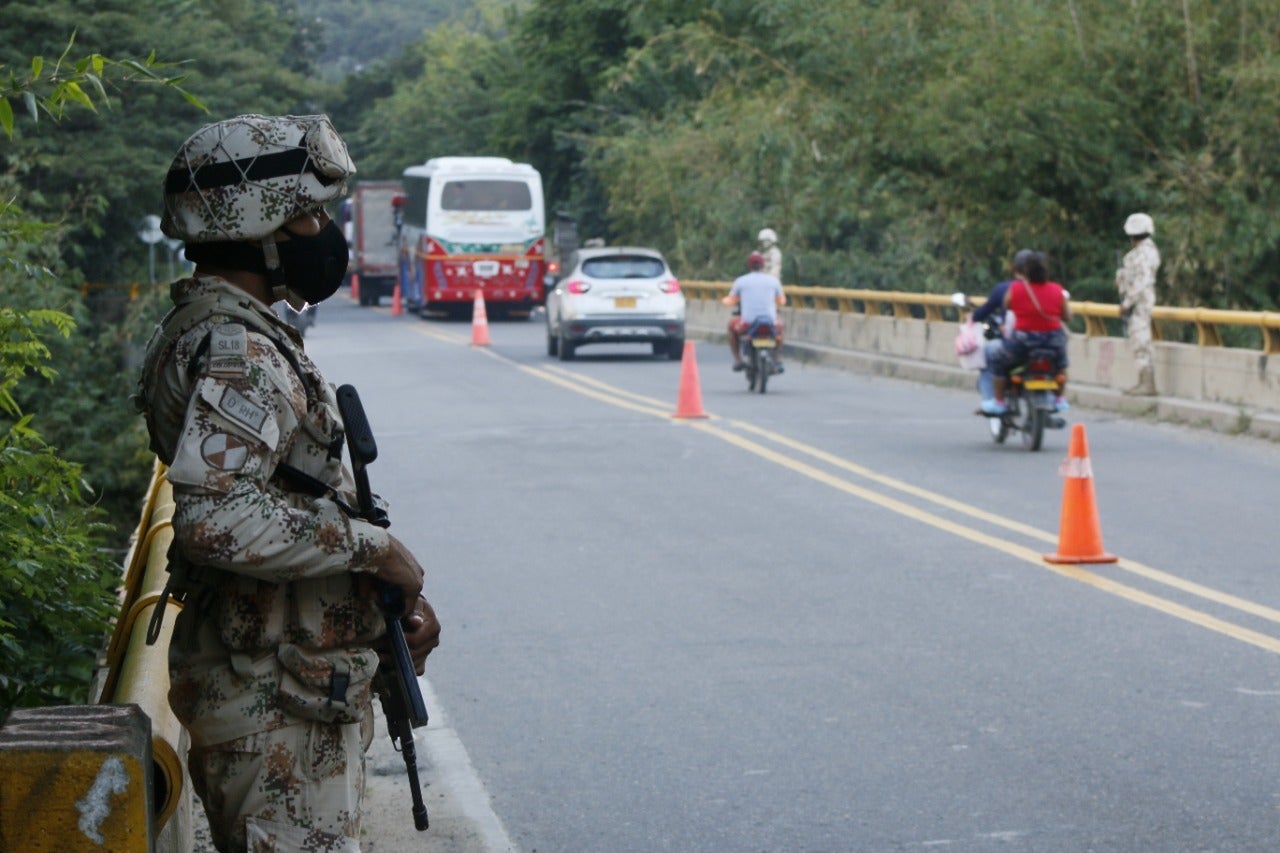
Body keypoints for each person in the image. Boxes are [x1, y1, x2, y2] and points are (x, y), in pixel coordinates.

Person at [133, 114, 441, 852]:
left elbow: (285, 497)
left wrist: (381, 597)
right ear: (259, 226)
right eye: (308, 213)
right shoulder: (237, 351)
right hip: (273, 708)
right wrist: (375, 549)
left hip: (290, 690)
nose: (322, 231)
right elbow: (216, 518)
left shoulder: (228, 332)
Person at [982, 251, 1071, 415]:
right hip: (1053, 344)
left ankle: (999, 402)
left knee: (997, 359)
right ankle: (1059, 399)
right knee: (1061, 366)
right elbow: (1067, 317)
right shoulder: (1058, 290)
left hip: (1022, 345)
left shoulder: (1016, 289)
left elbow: (1007, 306)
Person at [969, 249, 1034, 410]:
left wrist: (971, 314)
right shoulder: (1049, 289)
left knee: (987, 354)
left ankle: (991, 401)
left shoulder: (1006, 289)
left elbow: (982, 312)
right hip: (1046, 343)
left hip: (1016, 344)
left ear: (1014, 268)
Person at [1115, 212, 1160, 396]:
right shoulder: (1145, 252)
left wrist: (1127, 302)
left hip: (1139, 304)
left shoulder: (1144, 254)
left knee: (1141, 342)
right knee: (1139, 342)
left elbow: (1142, 281)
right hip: (1139, 303)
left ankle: (1147, 384)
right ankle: (1143, 382)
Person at [724, 251, 787, 372]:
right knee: (781, 329)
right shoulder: (773, 281)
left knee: (730, 327)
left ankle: (738, 359)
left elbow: (731, 300)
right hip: (770, 321)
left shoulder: (741, 281)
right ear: (763, 265)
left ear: (749, 265)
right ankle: (777, 357)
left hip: (748, 322)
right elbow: (781, 301)